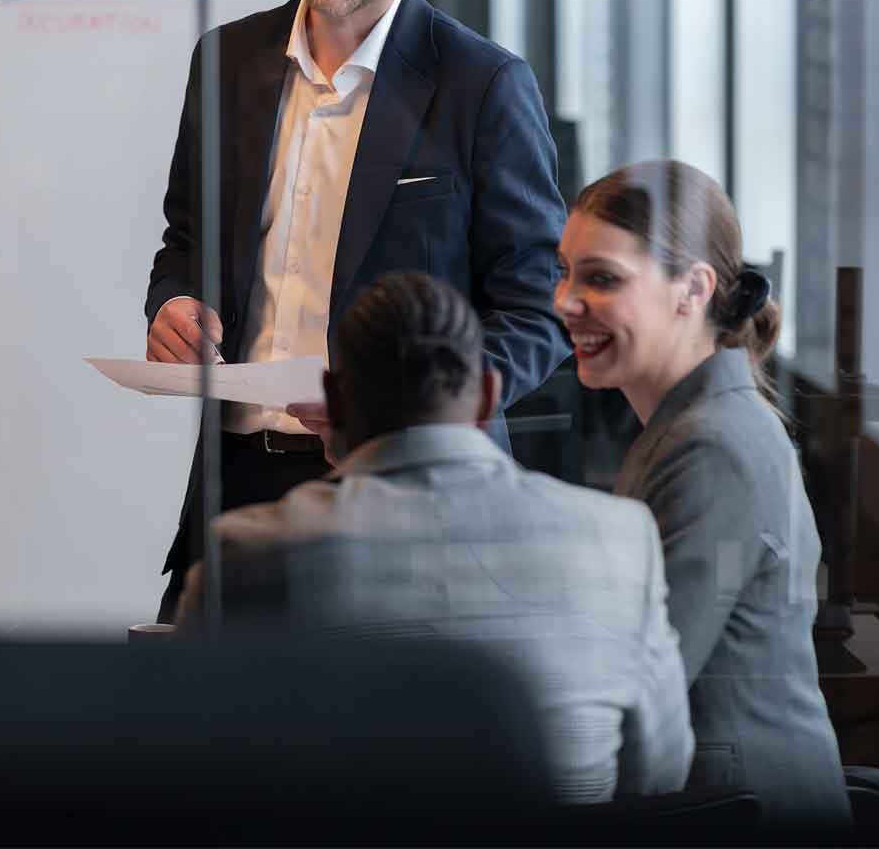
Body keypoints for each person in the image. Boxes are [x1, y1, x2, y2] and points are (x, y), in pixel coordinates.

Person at [145, 0, 566, 621]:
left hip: (411, 499)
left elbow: (538, 311)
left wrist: (413, 409)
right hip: (236, 486)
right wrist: (174, 302)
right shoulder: (226, 60)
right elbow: (187, 237)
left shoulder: (484, 85)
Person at [171, 272, 692, 805]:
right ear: (489, 395)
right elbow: (661, 776)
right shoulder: (622, 539)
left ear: (333, 401)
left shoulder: (248, 555)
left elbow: (188, 771)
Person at [556, 160, 849, 828]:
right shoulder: (689, 425)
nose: (565, 301)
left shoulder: (710, 446)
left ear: (692, 289)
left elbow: (641, 684)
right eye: (565, 272)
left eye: (601, 278)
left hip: (735, 810)